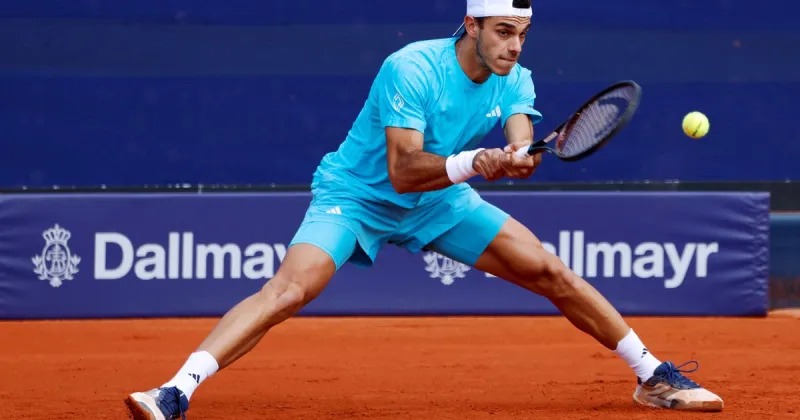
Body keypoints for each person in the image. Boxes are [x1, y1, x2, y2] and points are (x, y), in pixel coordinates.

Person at [124, 0, 724, 418]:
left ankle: (653, 376)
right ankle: (177, 391)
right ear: (472, 25)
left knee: (549, 268)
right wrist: (475, 162)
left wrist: (516, 156)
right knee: (289, 291)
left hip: (440, 201)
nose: (514, 46)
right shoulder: (410, 68)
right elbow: (403, 168)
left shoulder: (516, 77)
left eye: (522, 34)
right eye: (503, 33)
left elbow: (518, 137)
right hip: (358, 197)